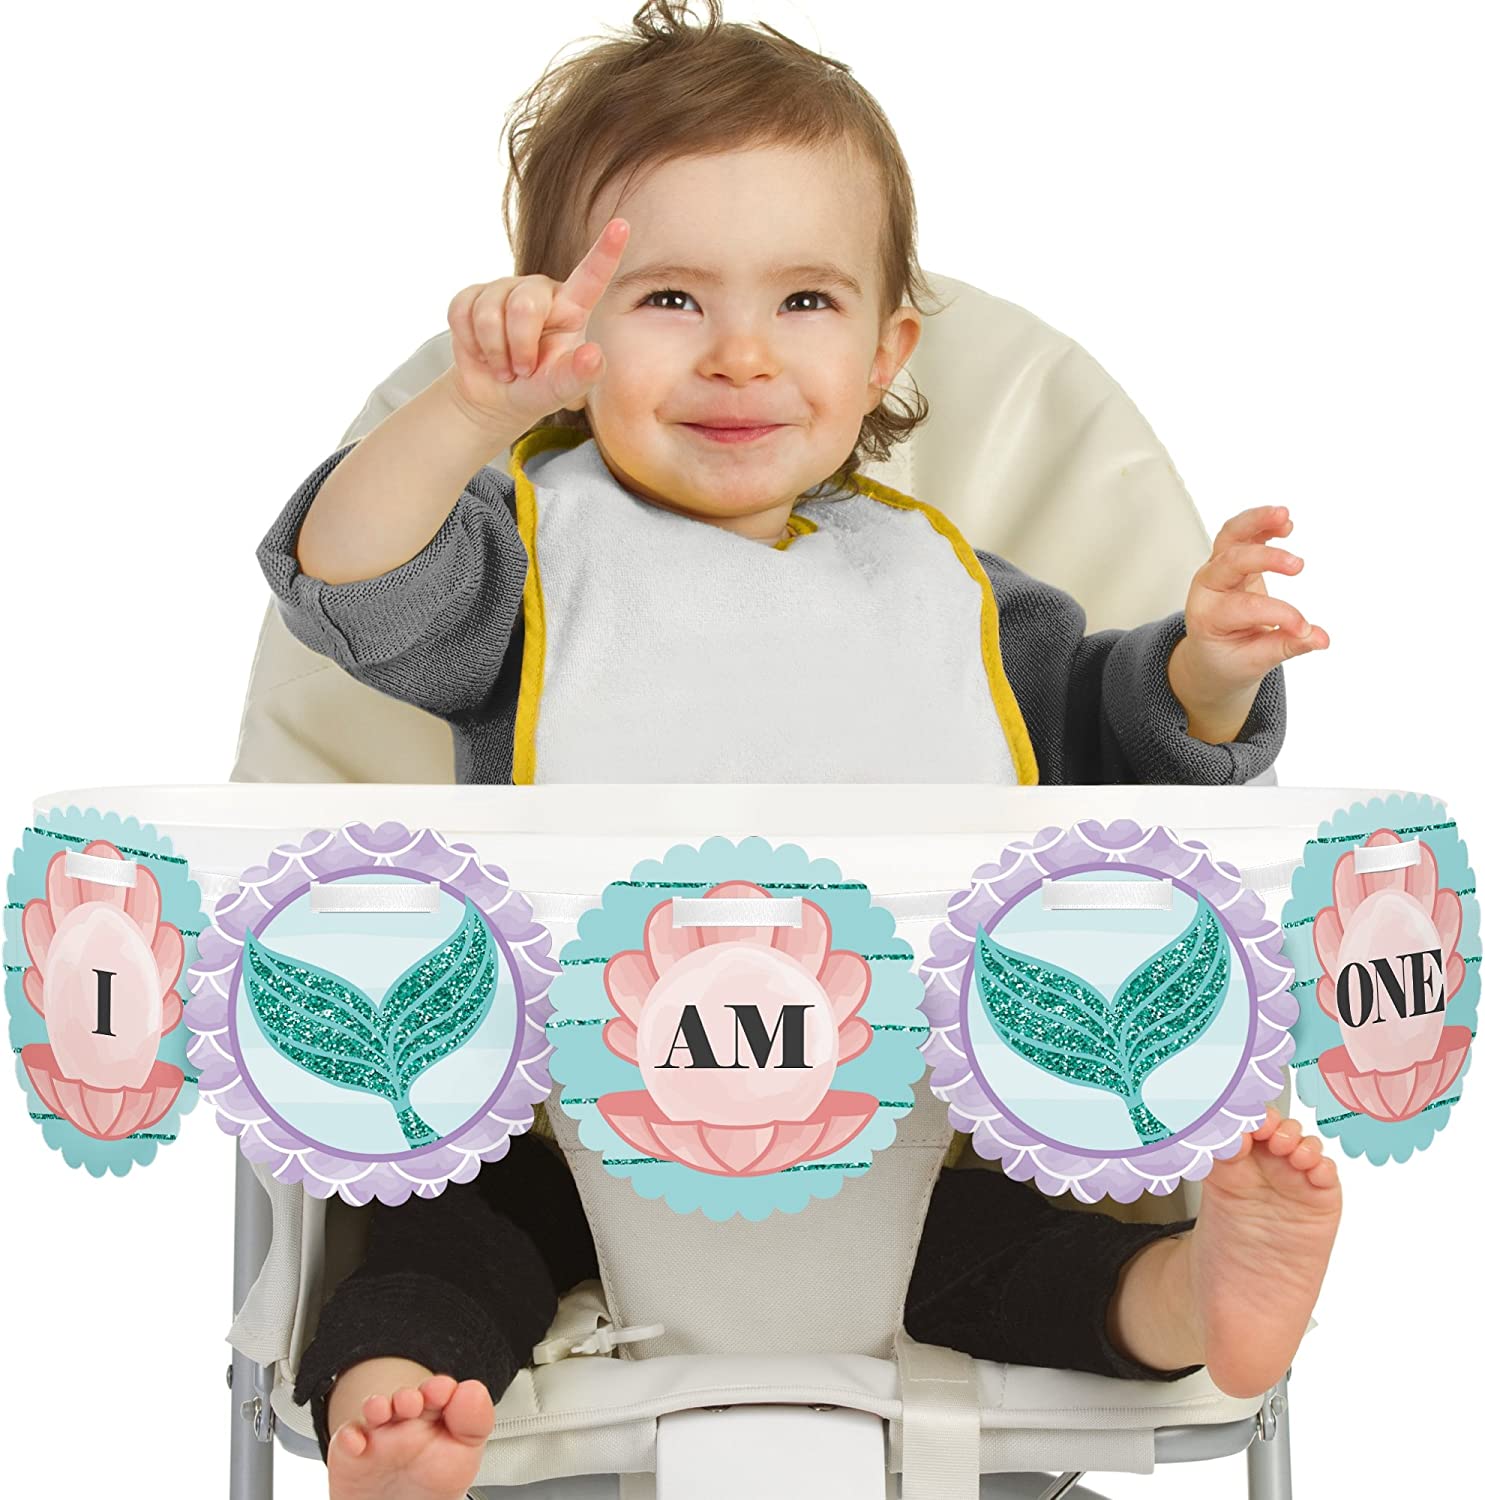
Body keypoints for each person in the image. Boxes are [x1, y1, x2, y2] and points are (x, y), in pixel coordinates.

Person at [254, 5, 1342, 1495]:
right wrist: (465, 412)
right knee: (435, 1246)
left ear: (889, 348)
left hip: (901, 1152)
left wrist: (1201, 673)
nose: (741, 354)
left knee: (1031, 1258)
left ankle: (1192, 1297)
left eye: (806, 301)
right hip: (574, 1149)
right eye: (669, 298)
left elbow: (1116, 762)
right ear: (568, 328)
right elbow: (355, 582)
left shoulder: (959, 598)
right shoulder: (523, 569)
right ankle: (398, 1406)